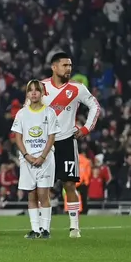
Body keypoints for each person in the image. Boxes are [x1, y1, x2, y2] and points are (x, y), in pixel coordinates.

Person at [41, 51, 101, 238]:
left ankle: (74, 228)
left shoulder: (77, 88)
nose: (68, 69)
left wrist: (85, 129)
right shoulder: (41, 87)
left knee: (70, 185)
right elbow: (28, 111)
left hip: (67, 141)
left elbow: (95, 106)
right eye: (65, 65)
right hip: (45, 144)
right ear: (54, 67)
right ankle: (43, 228)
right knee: (43, 187)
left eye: (70, 65)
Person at [13, 80, 60, 239]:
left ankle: (45, 229)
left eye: (37, 90)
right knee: (31, 196)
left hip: (45, 160)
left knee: (43, 194)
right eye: (30, 90)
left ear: (42, 93)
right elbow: (17, 137)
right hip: (27, 160)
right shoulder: (21, 113)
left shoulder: (50, 112)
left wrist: (42, 156)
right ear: (27, 93)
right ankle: (35, 229)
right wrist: (26, 155)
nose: (33, 93)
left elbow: (51, 137)